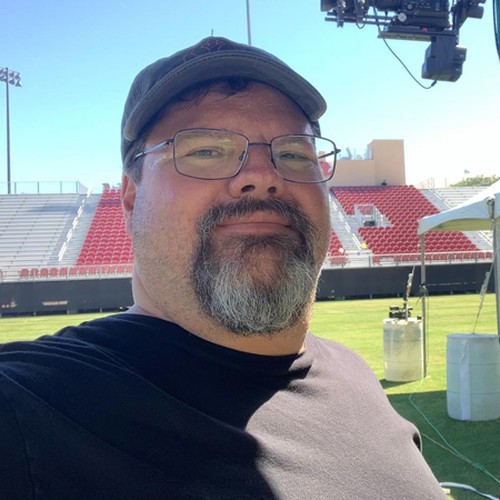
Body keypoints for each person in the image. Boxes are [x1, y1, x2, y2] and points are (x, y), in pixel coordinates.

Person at [0, 36, 445, 499]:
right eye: (206, 150)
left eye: (294, 153)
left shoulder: (356, 377)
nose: (264, 175)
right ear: (131, 200)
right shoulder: (26, 408)